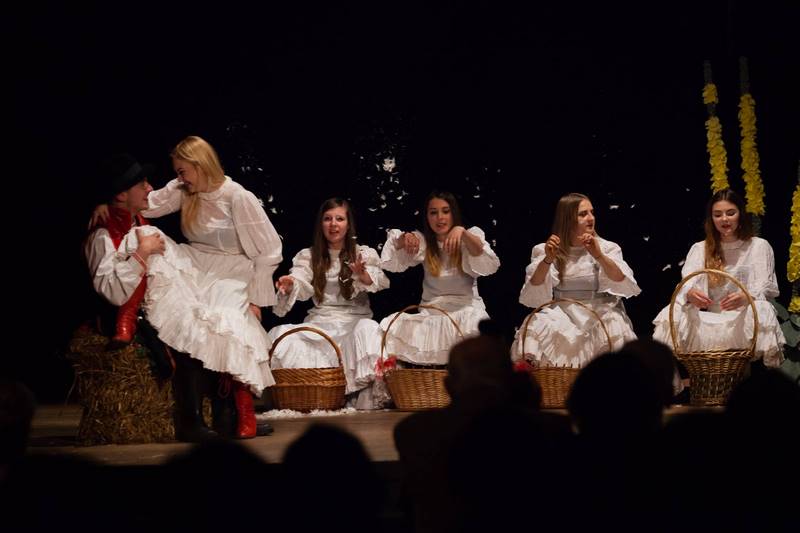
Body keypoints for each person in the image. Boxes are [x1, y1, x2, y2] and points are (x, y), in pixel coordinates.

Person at [93, 137, 282, 440]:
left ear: (200, 165)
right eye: (177, 173)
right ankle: (205, 414)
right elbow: (144, 202)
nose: (179, 179)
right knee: (151, 242)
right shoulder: (184, 190)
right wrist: (106, 202)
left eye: (183, 172)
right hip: (196, 262)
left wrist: (256, 298)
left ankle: (235, 413)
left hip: (232, 271)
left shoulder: (237, 196)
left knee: (228, 323)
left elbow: (269, 250)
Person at [269, 198, 390, 409]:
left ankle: (352, 391)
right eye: (328, 219)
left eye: (339, 219)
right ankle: (316, 392)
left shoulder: (363, 254)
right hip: (320, 325)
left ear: (348, 224)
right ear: (321, 224)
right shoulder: (309, 256)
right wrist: (290, 283)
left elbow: (377, 281)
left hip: (352, 325)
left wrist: (361, 274)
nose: (333, 224)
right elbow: (300, 277)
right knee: (280, 334)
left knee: (369, 329)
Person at [652, 188, 785, 368]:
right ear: (711, 219)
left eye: (730, 213)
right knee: (675, 307)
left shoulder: (758, 246)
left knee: (762, 307)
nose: (724, 219)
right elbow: (687, 282)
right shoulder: (701, 248)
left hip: (743, 322)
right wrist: (691, 293)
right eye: (718, 215)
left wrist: (747, 296)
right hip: (710, 322)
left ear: (740, 214)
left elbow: (765, 286)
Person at [511, 192, 640, 368]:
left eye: (592, 212)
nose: (591, 218)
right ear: (567, 219)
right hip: (563, 314)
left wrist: (598, 255)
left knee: (612, 323)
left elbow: (621, 279)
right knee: (537, 322)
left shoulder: (607, 247)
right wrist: (548, 259)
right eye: (583, 214)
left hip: (599, 312)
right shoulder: (546, 249)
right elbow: (534, 288)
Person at [379, 191, 500, 365]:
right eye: (433, 212)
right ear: (427, 217)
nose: (440, 218)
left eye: (445, 211)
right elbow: (392, 260)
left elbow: (488, 264)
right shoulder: (424, 242)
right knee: (390, 328)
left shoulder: (468, 238)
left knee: (476, 324)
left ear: (454, 214)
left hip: (466, 310)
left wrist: (462, 232)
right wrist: (404, 238)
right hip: (432, 313)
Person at [84, 153, 166, 348]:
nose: (150, 188)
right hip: (118, 324)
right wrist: (143, 252)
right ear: (121, 195)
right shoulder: (102, 235)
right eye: (142, 184)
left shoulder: (139, 219)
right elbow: (112, 291)